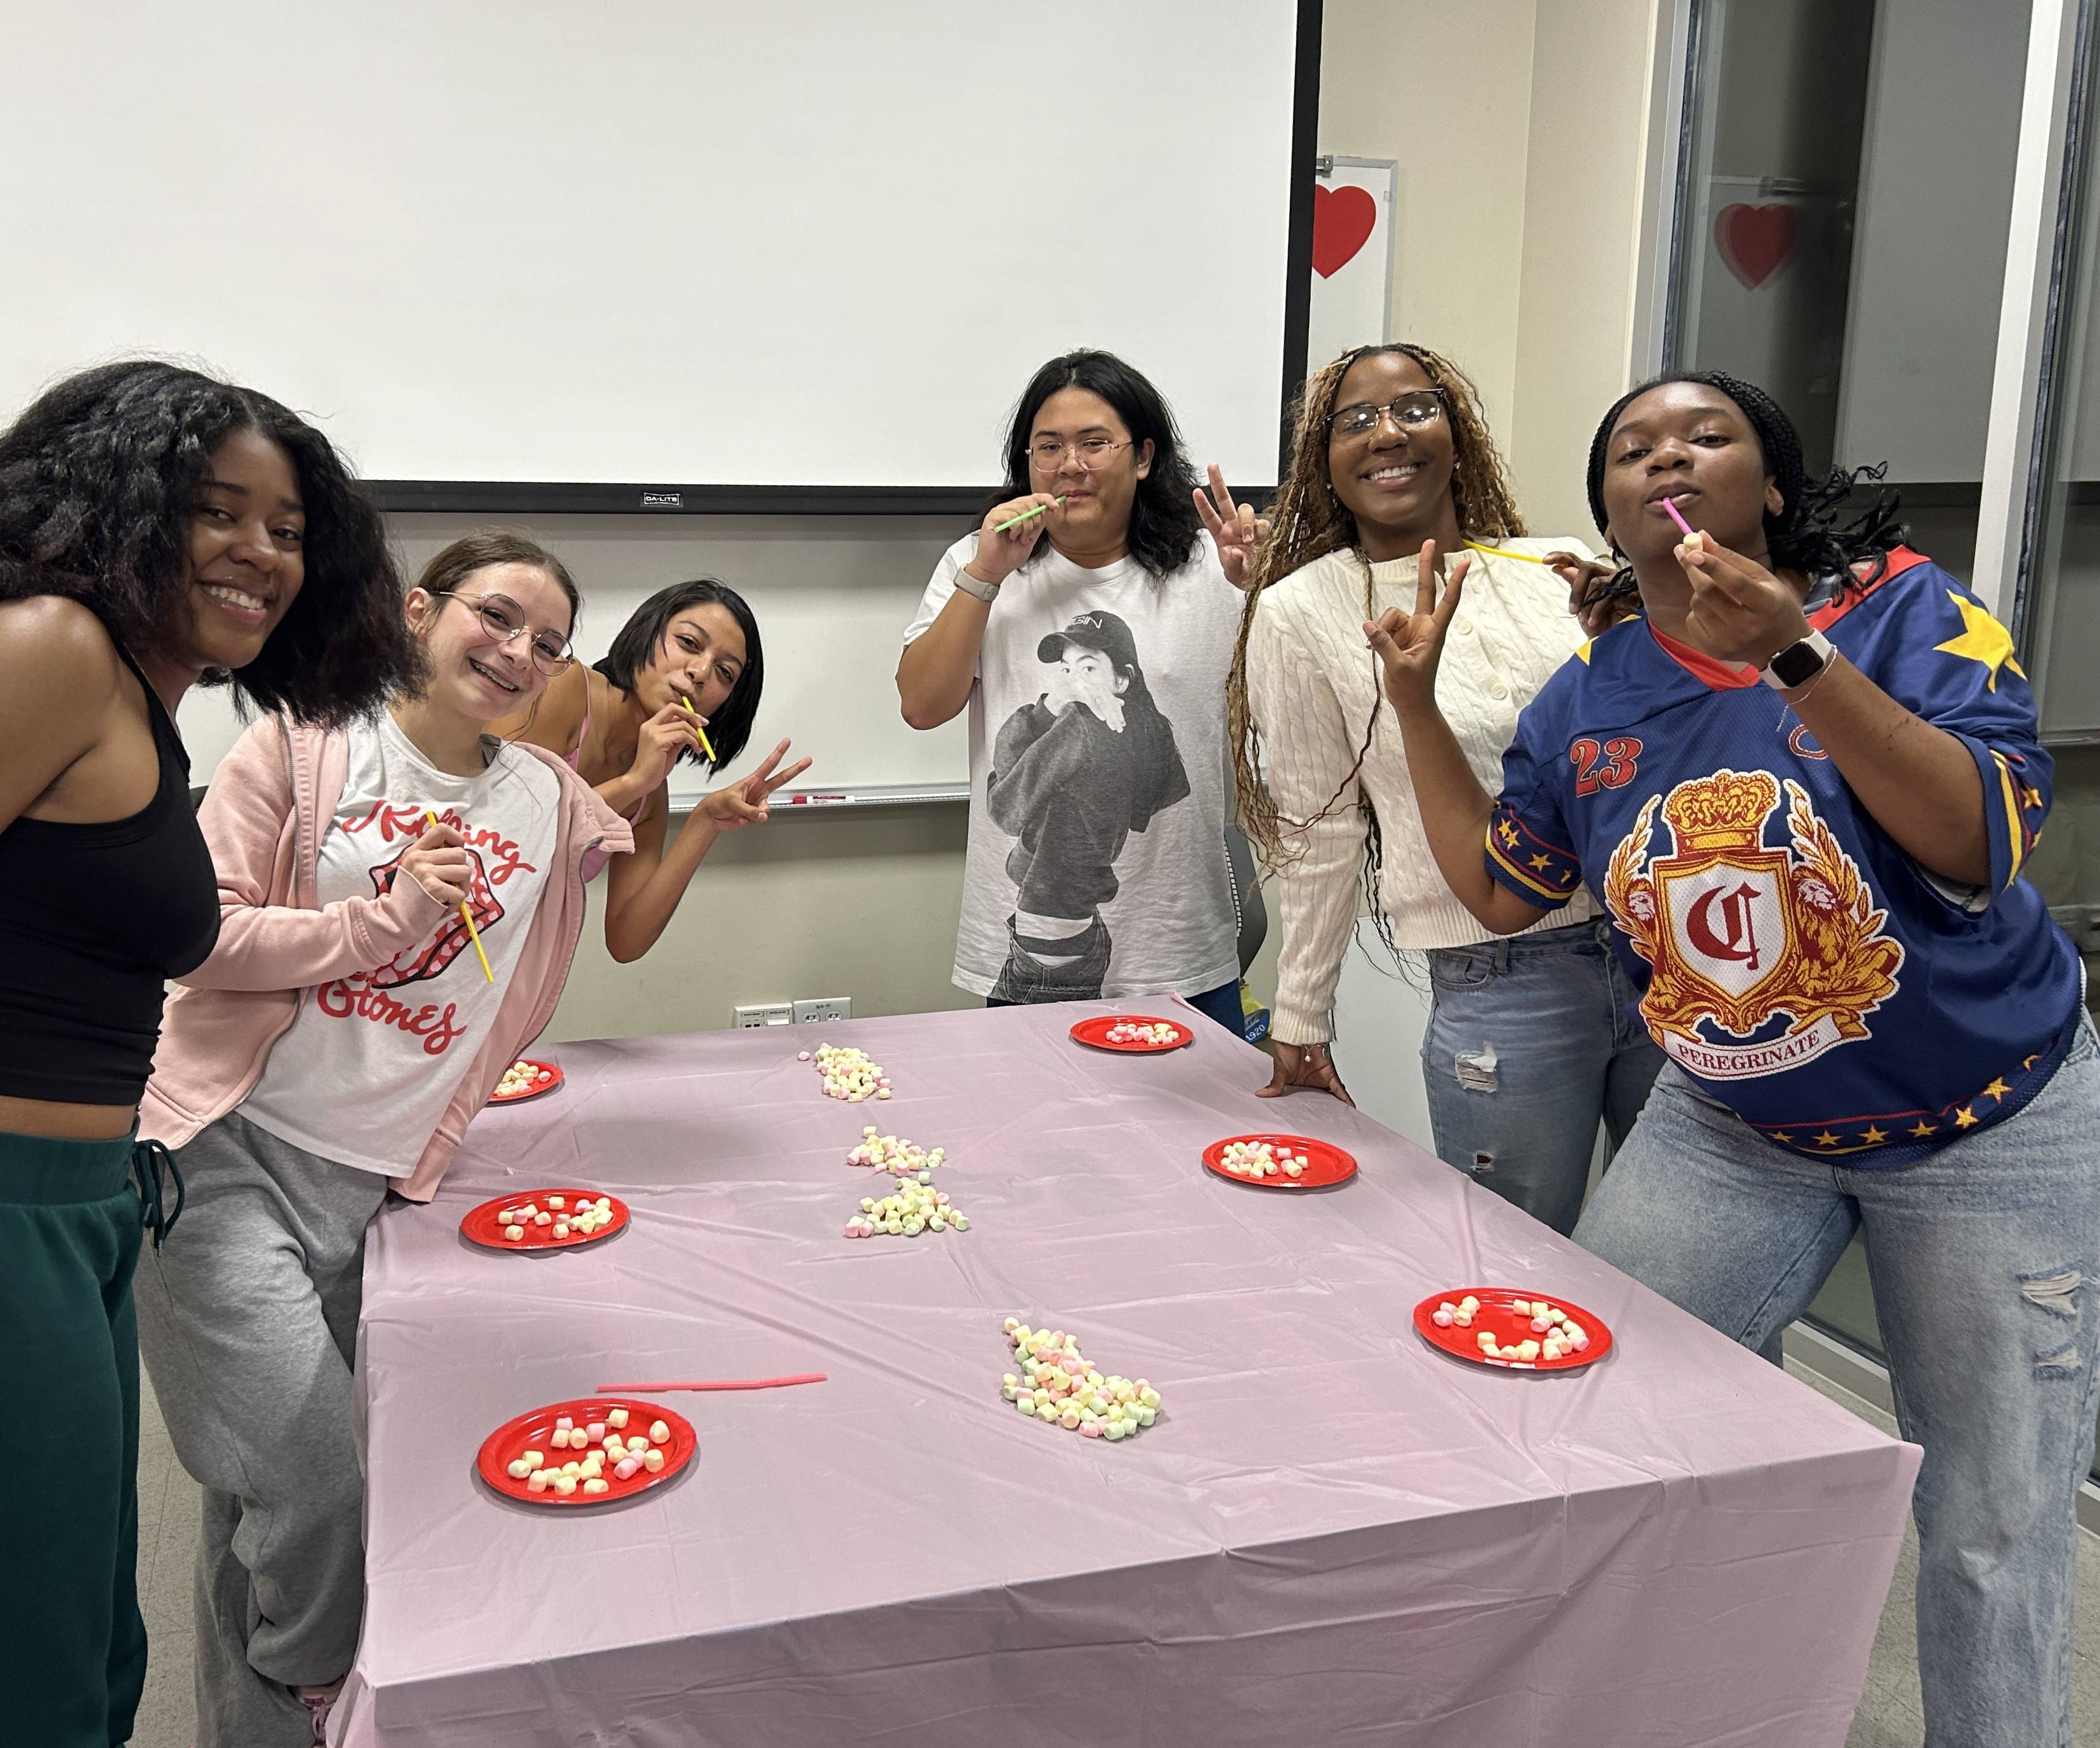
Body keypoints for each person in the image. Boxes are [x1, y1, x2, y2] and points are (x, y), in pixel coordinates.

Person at [1371, 368, 2097, 1747]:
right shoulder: (1583, 697)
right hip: (1736, 1127)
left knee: (1992, 1520)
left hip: (1987, 1121)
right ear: (1607, 511)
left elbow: (1979, 842)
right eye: (1632, 447)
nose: (1668, 457)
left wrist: (1796, 658)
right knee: (1596, 1410)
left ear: (1767, 487)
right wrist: (1412, 700)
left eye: (1707, 435)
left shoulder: (1896, 610)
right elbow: (1500, 890)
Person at [0, 361, 414, 1747]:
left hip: (72, 1216)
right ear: (115, 501)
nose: (259, 553)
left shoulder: (137, 698)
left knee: (86, 1659)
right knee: (19, 1699)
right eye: (217, 510)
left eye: (290, 529)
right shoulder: (45, 650)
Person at [134, 529, 633, 1745]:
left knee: (257, 1485)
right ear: (420, 610)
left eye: (550, 643)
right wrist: (380, 920)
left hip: (376, 1188)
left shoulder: (547, 799)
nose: (520, 654)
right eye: (498, 618)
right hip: (220, 1158)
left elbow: (611, 834)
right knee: (315, 1482)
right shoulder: (308, 745)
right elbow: (196, 933)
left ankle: (239, 1727)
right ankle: (324, 1696)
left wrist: (695, 794)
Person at [1227, 343, 1660, 1234]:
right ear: (1325, 463)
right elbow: (1318, 831)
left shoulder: (1560, 570)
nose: (1386, 433)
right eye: (1354, 421)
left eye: (1413, 409)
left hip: (1660, 957)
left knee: (1691, 1259)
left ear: (1455, 436)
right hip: (1503, 981)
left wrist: (1644, 629)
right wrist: (1301, 1014)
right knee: (1512, 1259)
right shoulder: (1300, 609)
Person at [897, 349, 1245, 1027]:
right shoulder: (981, 561)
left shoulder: (1210, 567)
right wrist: (986, 574)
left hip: (1180, 946)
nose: (1070, 465)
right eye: (1048, 446)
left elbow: (1286, 714)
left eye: (1095, 443)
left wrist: (1259, 586)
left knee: (1201, 1131)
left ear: (1143, 456)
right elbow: (922, 704)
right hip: (1036, 948)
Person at [495, 578, 809, 960]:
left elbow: (627, 941)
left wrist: (705, 822)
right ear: (647, 630)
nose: (701, 672)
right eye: (689, 643)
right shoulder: (559, 687)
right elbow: (496, 844)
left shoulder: (650, 796)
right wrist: (631, 783)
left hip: (510, 963)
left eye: (725, 673)